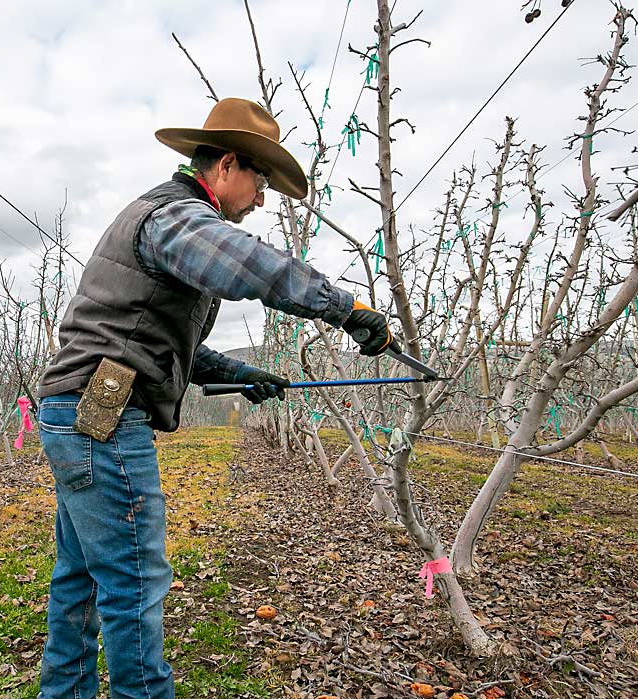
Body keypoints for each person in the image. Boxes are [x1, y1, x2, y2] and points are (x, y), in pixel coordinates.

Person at [36, 97, 395, 699]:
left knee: (82, 581)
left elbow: (168, 345)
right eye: (260, 182)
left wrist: (240, 372)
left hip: (81, 409)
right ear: (227, 165)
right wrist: (345, 308)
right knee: (134, 583)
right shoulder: (174, 218)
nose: (260, 201)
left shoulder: (167, 227)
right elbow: (249, 267)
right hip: (102, 411)